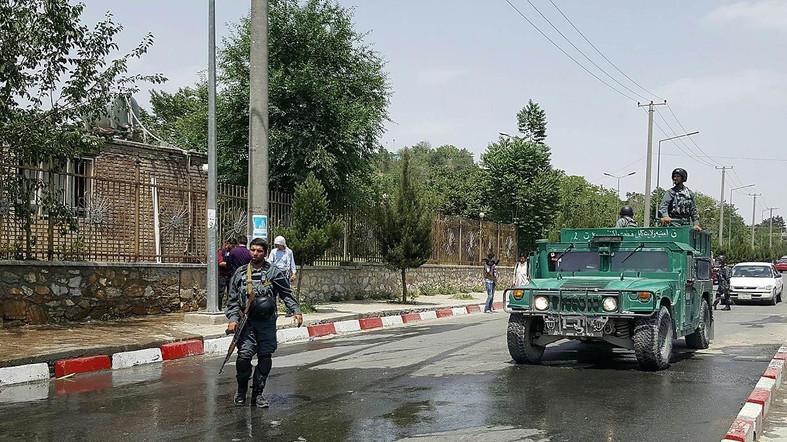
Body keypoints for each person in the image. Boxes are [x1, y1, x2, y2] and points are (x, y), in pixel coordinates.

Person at [225, 238, 303, 408]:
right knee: (244, 357)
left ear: (265, 253)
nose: (255, 253)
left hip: (266, 323)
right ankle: (241, 391)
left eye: (259, 251)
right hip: (247, 323)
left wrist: (296, 310)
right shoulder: (240, 273)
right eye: (252, 250)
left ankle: (258, 394)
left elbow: (285, 293)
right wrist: (232, 320)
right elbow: (232, 301)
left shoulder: (274, 272)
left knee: (265, 357)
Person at [217, 238, 237, 309]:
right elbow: (220, 263)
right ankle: (218, 307)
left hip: (231, 275)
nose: (233, 247)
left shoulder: (234, 252)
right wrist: (230, 263)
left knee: (231, 293)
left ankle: (229, 308)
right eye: (232, 245)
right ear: (227, 244)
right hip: (222, 275)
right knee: (220, 292)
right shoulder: (222, 252)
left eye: (234, 246)